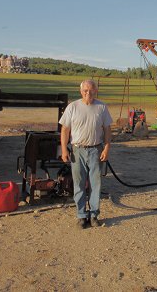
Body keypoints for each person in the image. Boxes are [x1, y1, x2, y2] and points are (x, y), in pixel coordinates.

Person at [60, 79, 113, 229]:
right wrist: (64, 149)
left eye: (91, 90)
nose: (88, 93)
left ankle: (94, 215)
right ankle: (82, 215)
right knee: (79, 183)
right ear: (81, 91)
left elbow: (107, 129)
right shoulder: (73, 107)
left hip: (96, 149)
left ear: (95, 91)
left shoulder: (101, 107)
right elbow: (65, 130)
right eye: (85, 91)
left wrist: (107, 148)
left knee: (96, 184)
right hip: (78, 150)